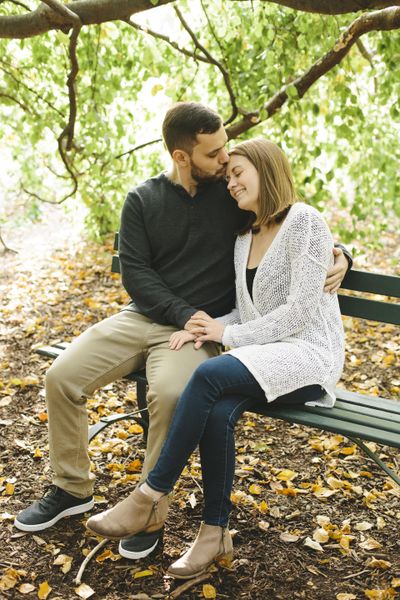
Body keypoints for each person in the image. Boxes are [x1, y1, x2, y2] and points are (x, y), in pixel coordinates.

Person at [14, 104, 350, 561]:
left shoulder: (232, 201)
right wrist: (188, 315)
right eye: (216, 156)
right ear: (181, 156)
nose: (225, 168)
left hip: (215, 334)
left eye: (230, 158)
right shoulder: (145, 201)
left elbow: (292, 221)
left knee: (177, 390)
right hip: (152, 318)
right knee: (61, 377)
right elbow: (136, 273)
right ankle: (74, 489)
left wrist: (342, 253)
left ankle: (150, 506)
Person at [86, 138, 346, 579]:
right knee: (218, 408)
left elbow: (300, 311)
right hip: (267, 354)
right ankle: (214, 533)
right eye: (227, 176)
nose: (230, 182)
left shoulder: (305, 221)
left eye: (238, 173)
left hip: (309, 355)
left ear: (267, 169)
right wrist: (204, 326)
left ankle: (149, 496)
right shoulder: (244, 237)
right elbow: (248, 313)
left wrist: (227, 335)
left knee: (207, 376)